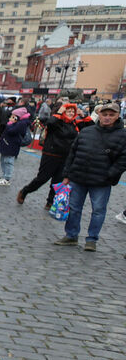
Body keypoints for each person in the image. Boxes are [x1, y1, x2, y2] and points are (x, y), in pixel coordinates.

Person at [53, 101, 126, 252]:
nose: (107, 117)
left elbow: (123, 160)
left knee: (98, 211)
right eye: (104, 114)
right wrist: (66, 175)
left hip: (101, 181)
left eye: (111, 115)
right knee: (74, 208)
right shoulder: (87, 131)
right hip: (78, 177)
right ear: (99, 114)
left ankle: (92, 239)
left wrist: (110, 174)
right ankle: (71, 236)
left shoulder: (123, 135)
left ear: (117, 116)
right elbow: (72, 153)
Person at [17, 103, 87, 209]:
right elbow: (50, 123)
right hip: (51, 154)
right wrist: (59, 113)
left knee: (58, 181)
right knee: (42, 178)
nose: (71, 113)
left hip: (66, 156)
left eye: (73, 112)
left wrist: (83, 116)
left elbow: (89, 126)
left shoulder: (74, 123)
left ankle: (50, 202)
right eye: (68, 111)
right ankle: (25, 191)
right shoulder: (57, 121)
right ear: (63, 112)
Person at [0, 107, 32, 186]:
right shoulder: (18, 123)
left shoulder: (21, 124)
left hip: (11, 145)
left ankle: (7, 178)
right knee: (4, 160)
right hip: (7, 144)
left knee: (8, 161)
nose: (11, 117)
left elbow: (12, 131)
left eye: (13, 116)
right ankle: (4, 176)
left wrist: (10, 124)